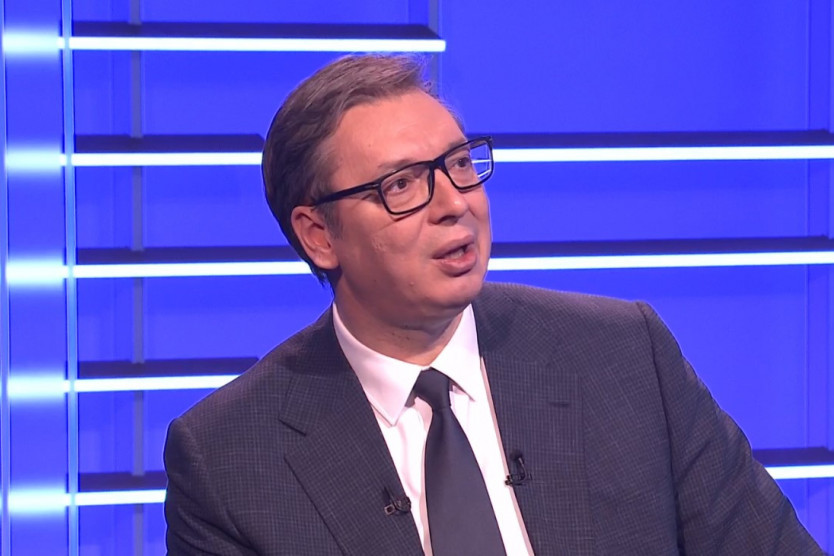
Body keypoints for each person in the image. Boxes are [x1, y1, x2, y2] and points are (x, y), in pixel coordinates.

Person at [164, 54, 823, 555]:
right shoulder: (227, 458)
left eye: (459, 164)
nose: (455, 203)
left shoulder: (625, 357)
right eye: (402, 185)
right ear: (318, 235)